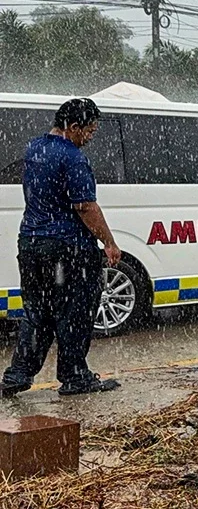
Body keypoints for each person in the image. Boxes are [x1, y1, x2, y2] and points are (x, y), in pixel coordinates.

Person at [2, 98, 122, 397]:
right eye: (89, 130)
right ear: (73, 127)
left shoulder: (34, 149)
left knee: (37, 312)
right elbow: (85, 206)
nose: (91, 137)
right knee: (75, 311)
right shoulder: (73, 157)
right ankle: (75, 376)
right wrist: (108, 241)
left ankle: (17, 375)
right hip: (67, 248)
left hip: (30, 242)